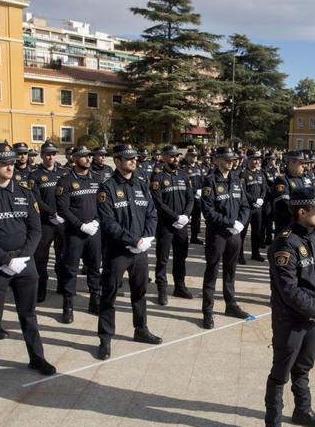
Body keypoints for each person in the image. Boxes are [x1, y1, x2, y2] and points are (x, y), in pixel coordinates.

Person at [0, 142, 55, 393]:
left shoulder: (25, 192)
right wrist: (5, 261)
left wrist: (23, 258)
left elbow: (35, 229)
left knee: (28, 316)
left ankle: (36, 357)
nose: (9, 166)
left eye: (12, 162)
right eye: (3, 162)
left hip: (24, 265)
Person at [264, 186, 315, 427]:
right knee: (280, 373)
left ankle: (302, 411)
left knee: (304, 367)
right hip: (290, 320)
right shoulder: (285, 243)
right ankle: (272, 424)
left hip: (314, 319)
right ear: (302, 211)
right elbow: (289, 291)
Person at [96, 143, 162, 359]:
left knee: (140, 292)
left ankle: (140, 329)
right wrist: (133, 239)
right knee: (109, 295)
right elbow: (108, 223)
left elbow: (151, 214)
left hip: (140, 252)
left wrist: (147, 237)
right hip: (118, 252)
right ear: (116, 161)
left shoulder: (142, 185)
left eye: (134, 157)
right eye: (128, 158)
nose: (133, 161)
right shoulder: (106, 188)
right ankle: (105, 338)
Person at [199, 146, 252, 329]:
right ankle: (207, 311)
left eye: (233, 159)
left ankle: (231, 305)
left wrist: (241, 223)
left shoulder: (236, 180)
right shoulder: (210, 182)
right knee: (212, 272)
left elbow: (245, 205)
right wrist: (230, 223)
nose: (231, 162)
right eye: (227, 159)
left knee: (231, 271)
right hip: (218, 235)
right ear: (217, 160)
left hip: (235, 234)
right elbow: (208, 212)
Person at [56, 146, 104, 323]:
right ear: (74, 158)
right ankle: (68, 305)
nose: (88, 159)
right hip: (74, 233)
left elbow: (103, 205)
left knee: (94, 267)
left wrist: (97, 222)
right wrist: (81, 226)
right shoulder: (66, 181)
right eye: (83, 156)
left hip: (94, 231)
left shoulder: (97, 179)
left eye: (89, 156)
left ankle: (95, 300)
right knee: (70, 269)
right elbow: (63, 209)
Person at [149, 145, 194, 304]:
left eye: (177, 156)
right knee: (162, 258)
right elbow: (158, 203)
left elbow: (190, 198)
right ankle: (162, 288)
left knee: (181, 256)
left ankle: (179, 285)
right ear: (164, 157)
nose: (176, 159)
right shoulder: (157, 177)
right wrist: (175, 217)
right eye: (172, 156)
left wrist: (186, 216)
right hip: (166, 225)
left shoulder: (183, 175)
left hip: (182, 224)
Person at [30, 141, 69, 304]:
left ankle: (61, 284)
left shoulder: (64, 172)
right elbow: (36, 200)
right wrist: (52, 212)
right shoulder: (35, 175)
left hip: (62, 222)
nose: (50, 156)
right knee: (41, 258)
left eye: (53, 153)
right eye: (47, 153)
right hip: (45, 223)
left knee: (62, 256)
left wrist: (64, 213)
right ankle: (41, 289)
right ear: (41, 155)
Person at [239, 149, 267, 263]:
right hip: (247, 208)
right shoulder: (243, 174)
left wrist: (261, 199)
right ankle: (239, 255)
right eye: (254, 159)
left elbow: (264, 188)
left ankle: (255, 253)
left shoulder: (260, 173)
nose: (257, 162)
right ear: (248, 159)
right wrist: (254, 200)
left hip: (258, 208)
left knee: (257, 232)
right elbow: (242, 190)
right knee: (243, 232)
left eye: (258, 159)